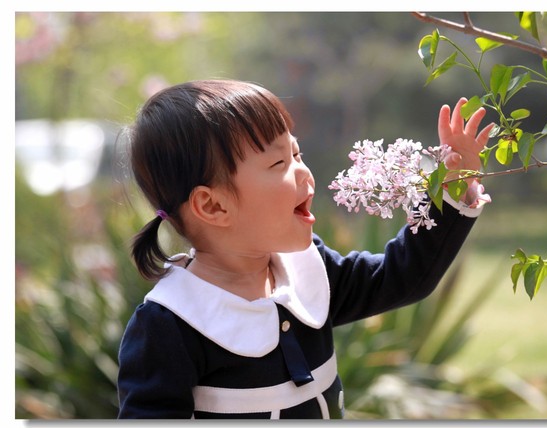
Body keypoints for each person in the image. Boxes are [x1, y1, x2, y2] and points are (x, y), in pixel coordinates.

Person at [117, 79, 493, 419]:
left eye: (296, 154)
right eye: (279, 162)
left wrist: (452, 187)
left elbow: (403, 278)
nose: (303, 171)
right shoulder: (170, 325)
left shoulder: (307, 270)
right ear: (213, 206)